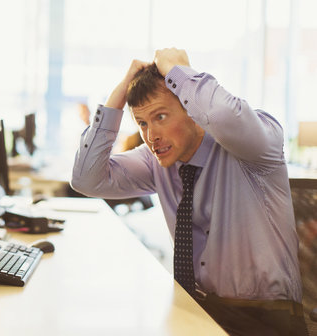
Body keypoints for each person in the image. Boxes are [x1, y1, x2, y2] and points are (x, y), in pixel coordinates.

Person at [70, 48, 308, 335]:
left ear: (192, 111)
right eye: (143, 123)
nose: (151, 135)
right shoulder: (155, 160)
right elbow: (86, 179)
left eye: (160, 117)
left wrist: (179, 72)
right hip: (195, 309)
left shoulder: (253, 146)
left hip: (264, 317)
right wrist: (119, 94)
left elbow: (223, 114)